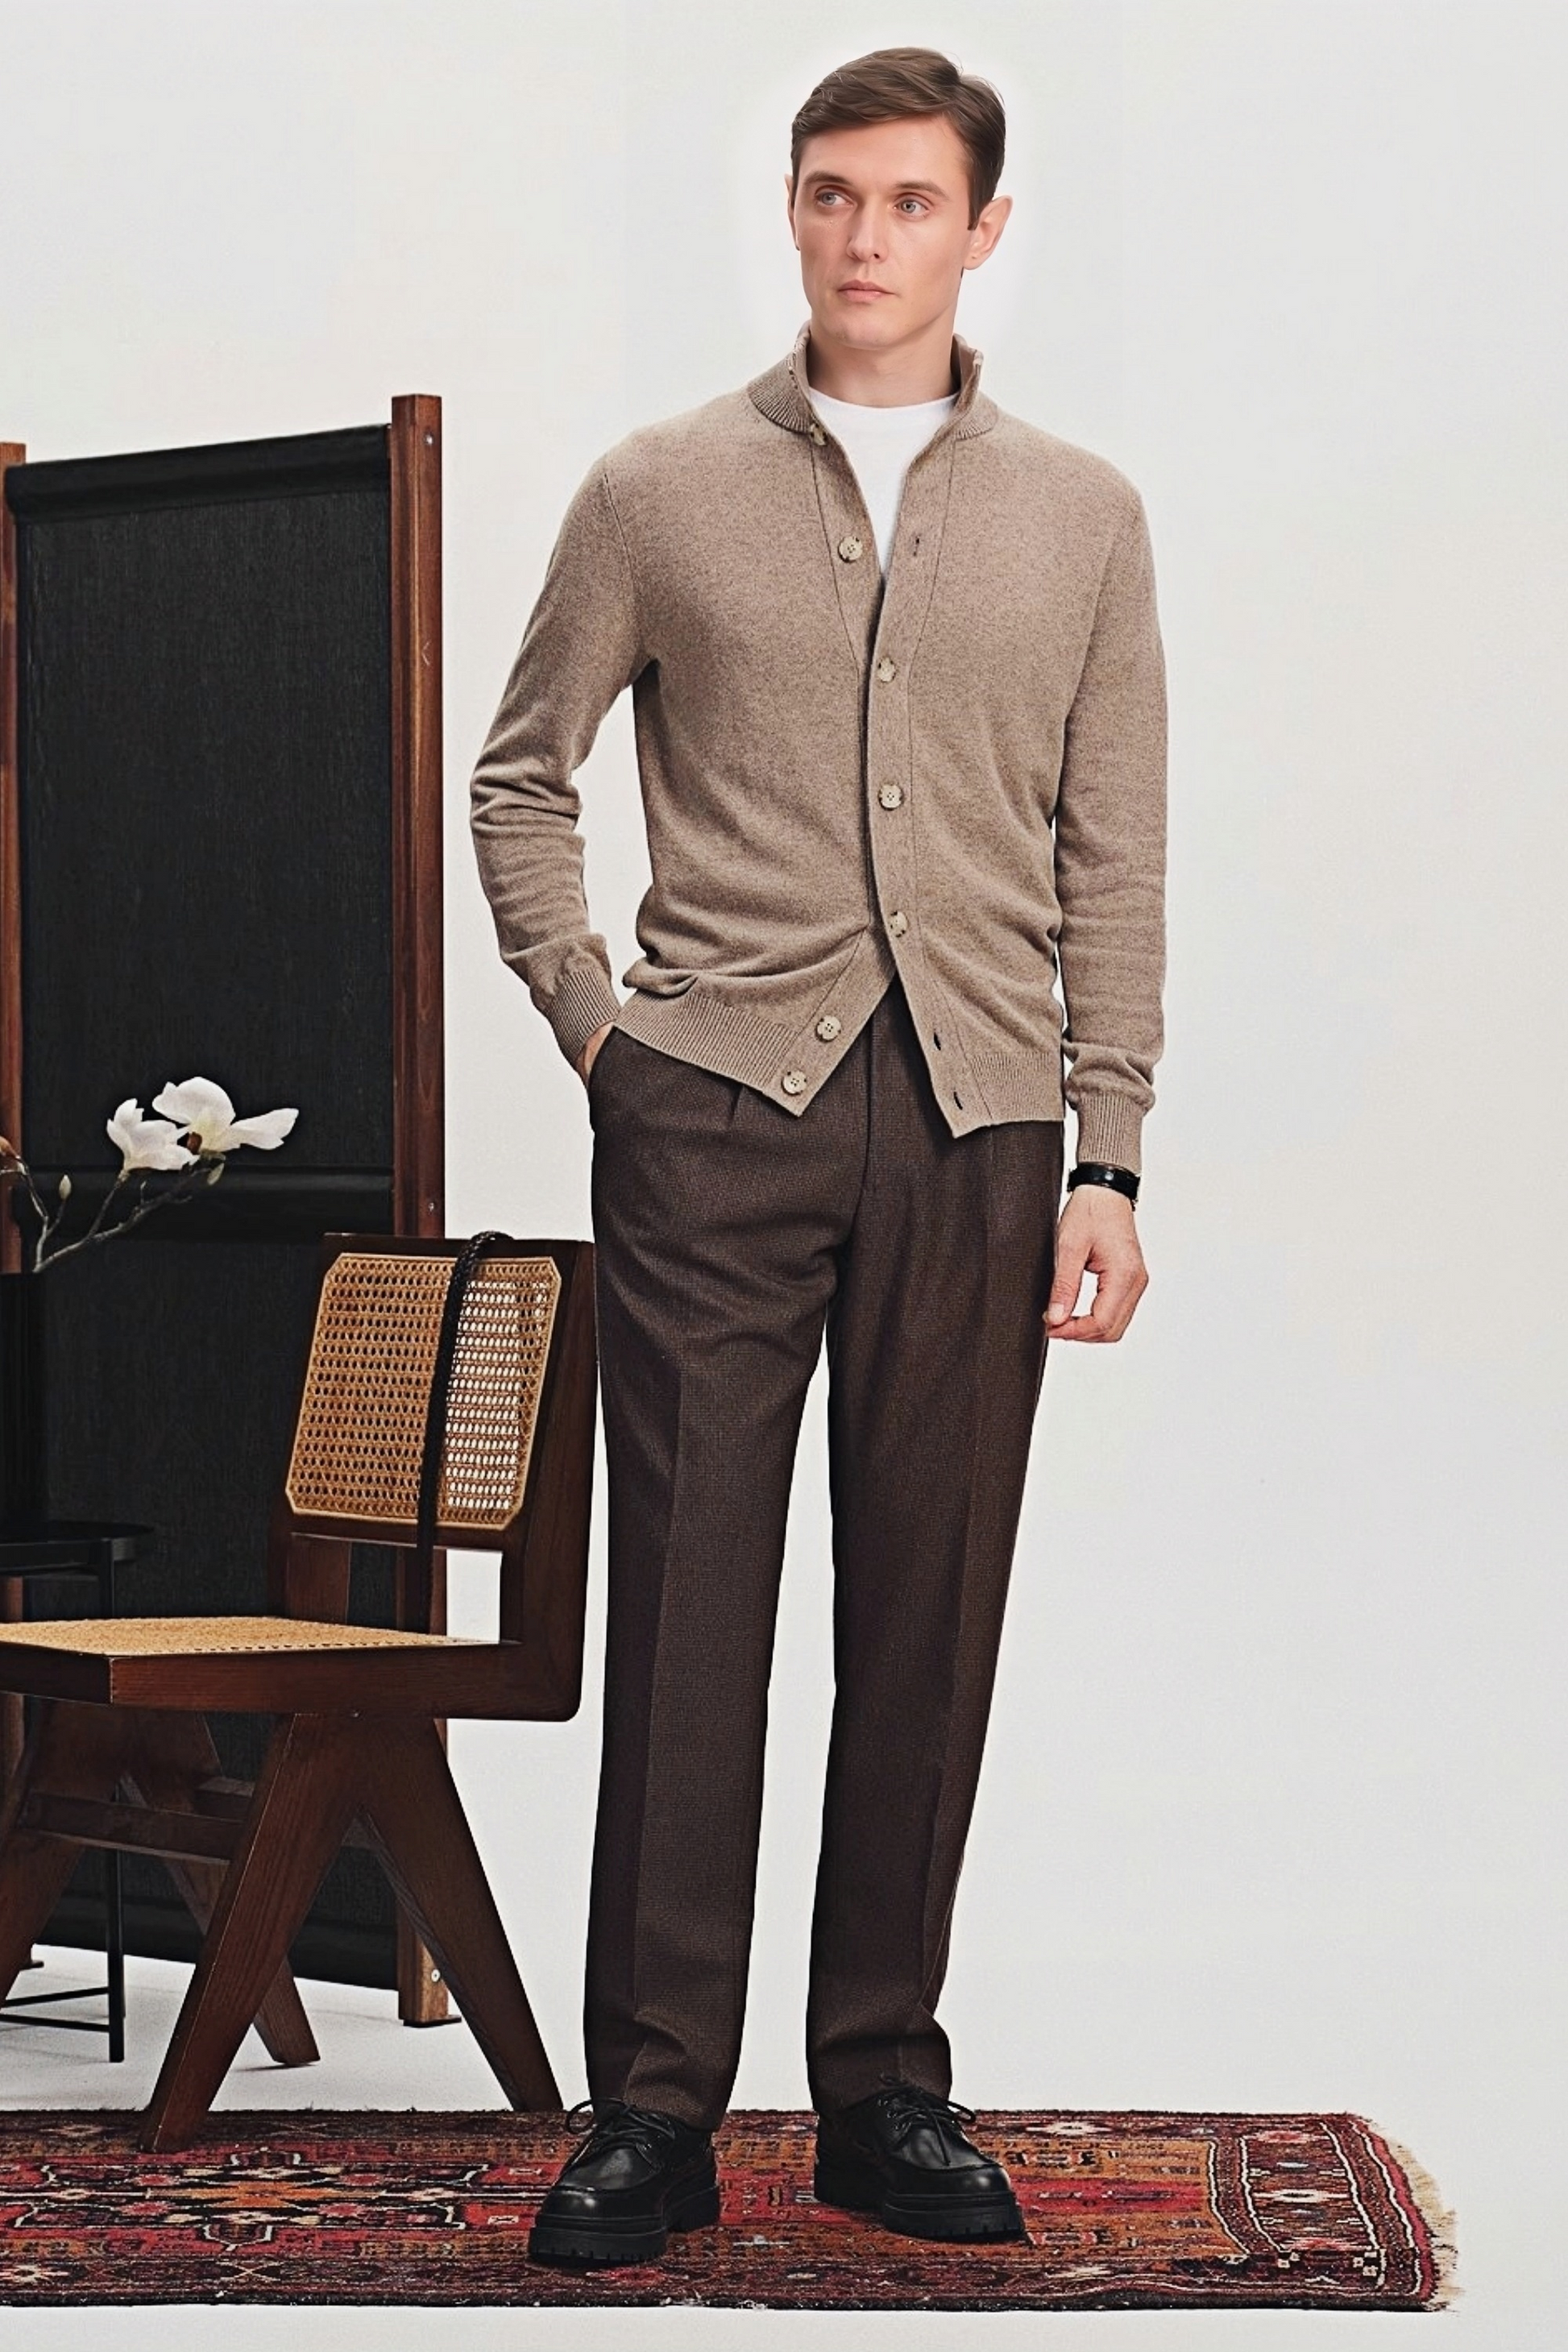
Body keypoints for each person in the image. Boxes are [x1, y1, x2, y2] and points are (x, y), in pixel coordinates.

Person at [468, 44, 1166, 2270]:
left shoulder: (1084, 516)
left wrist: (1113, 1151)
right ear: (792, 211)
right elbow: (521, 775)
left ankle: (880, 2085)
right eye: (831, 194)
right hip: (713, 1117)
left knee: (929, 1606)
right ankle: (652, 2110)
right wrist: (605, 1031)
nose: (866, 236)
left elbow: (1114, 848)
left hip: (982, 1120)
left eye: (910, 199)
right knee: (689, 1610)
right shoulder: (657, 490)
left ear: (985, 228)